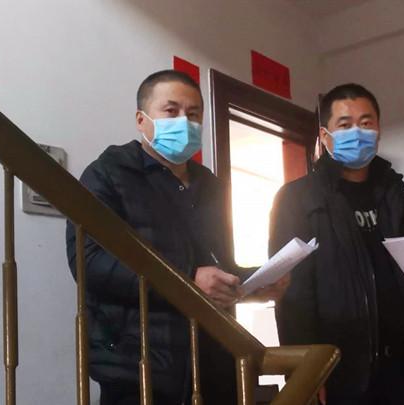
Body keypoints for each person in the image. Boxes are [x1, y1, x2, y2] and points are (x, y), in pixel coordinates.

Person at [65, 70, 286, 405]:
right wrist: (187, 281)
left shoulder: (212, 186)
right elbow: (89, 262)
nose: (185, 121)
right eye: (171, 111)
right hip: (138, 368)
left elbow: (215, 267)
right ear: (142, 120)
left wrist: (252, 283)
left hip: (214, 364)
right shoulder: (107, 174)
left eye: (194, 114)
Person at [270, 83, 404, 405]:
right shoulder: (297, 198)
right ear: (325, 136)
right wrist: (303, 370)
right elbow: (291, 293)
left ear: (378, 130)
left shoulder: (396, 196)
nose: (357, 132)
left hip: (394, 365)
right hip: (334, 366)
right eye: (345, 125)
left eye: (366, 122)